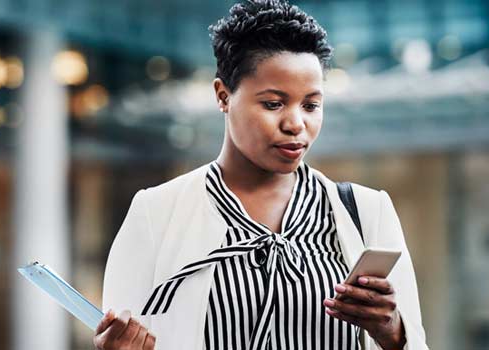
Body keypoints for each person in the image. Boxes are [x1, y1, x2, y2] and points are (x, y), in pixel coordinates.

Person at [93, 1, 429, 349]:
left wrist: (392, 330)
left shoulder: (367, 212)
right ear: (223, 96)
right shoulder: (156, 214)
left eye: (311, 105)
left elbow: (415, 344)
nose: (296, 124)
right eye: (273, 104)